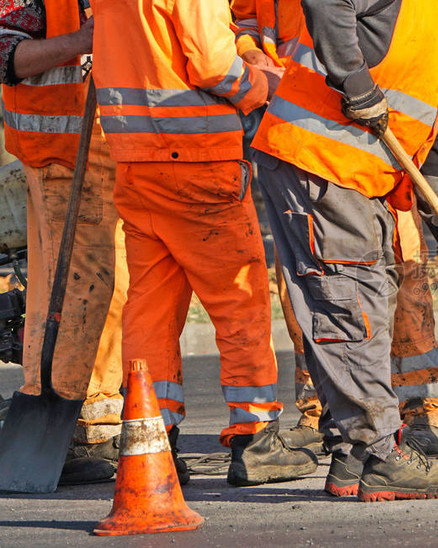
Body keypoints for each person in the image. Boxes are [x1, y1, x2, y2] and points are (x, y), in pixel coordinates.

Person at [250, 0, 438, 501]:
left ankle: (354, 456)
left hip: (356, 177)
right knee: (352, 305)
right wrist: (354, 80)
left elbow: (431, 131)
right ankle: (378, 454)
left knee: (366, 300)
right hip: (321, 163)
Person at [88, 0, 315, 486]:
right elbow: (211, 64)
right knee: (239, 298)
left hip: (135, 159)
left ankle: (153, 435)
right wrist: (266, 87)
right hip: (197, 159)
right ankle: (255, 438)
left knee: (149, 305)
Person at [0, 0, 127, 484]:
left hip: (120, 148)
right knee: (76, 289)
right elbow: (4, 53)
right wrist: (81, 42)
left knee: (113, 289)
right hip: (60, 153)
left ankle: (99, 420)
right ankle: (72, 422)